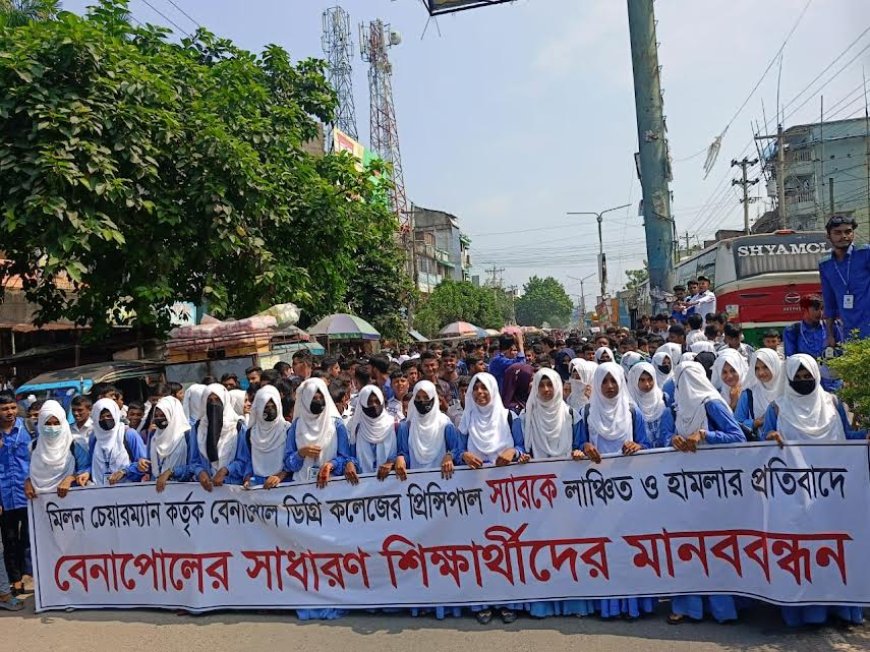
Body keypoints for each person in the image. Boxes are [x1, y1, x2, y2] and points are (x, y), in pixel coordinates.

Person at [511, 368, 594, 619]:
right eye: (541, 386)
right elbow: (518, 446)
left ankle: (574, 602)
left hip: (567, 493)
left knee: (569, 547)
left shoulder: (572, 416)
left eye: (550, 385)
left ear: (558, 386)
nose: (546, 390)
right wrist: (519, 455)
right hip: (535, 494)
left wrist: (580, 451)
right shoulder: (523, 419)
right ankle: (541, 604)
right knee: (539, 549)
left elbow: (580, 444)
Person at [668, 362, 745, 625]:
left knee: (716, 547)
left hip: (716, 486)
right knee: (687, 547)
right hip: (686, 488)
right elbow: (672, 435)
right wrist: (673, 439)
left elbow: (738, 437)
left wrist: (706, 435)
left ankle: (723, 608)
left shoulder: (713, 403)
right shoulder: (679, 408)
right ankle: (688, 606)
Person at [576, 362, 653, 619]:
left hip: (629, 493)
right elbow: (577, 446)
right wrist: (584, 447)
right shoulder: (587, 412)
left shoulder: (633, 412)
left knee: (630, 549)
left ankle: (635, 605)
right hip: (597, 493)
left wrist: (637, 446)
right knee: (604, 549)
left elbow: (649, 447)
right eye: (604, 382)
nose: (609, 387)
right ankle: (606, 606)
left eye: (613, 381)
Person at [457, 372, 525, 625]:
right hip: (475, 496)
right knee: (479, 550)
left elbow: (522, 447)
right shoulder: (466, 420)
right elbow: (457, 451)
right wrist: (463, 456)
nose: (480, 394)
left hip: (507, 496)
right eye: (476, 389)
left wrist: (512, 452)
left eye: (485, 389)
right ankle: (482, 602)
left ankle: (510, 601)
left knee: (508, 548)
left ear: (494, 390)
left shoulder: (509, 417)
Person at [762, 354, 867, 445]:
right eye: (797, 378)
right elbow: (764, 441)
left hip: (833, 466)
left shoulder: (832, 402)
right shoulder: (777, 408)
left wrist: (865, 435)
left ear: (816, 376)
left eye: (807, 376)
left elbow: (846, 435)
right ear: (789, 379)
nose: (802, 380)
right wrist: (769, 437)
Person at [283, 377, 357, 489]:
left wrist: (331, 465)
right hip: (302, 486)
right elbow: (288, 463)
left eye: (321, 397)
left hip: (332, 485)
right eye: (314, 398)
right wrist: (301, 454)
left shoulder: (336, 424)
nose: (318, 401)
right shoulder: (296, 426)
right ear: (306, 399)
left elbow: (345, 458)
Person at [819, 214, 870, 343]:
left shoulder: (865, 253)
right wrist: (830, 334)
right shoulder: (826, 264)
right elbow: (829, 301)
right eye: (837, 232)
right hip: (850, 330)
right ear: (828, 236)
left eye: (848, 232)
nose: (844, 236)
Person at [24, 400, 90, 499]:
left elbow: (86, 468)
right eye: (48, 423)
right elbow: (27, 471)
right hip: (40, 502)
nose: (52, 427)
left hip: (72, 499)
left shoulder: (74, 443)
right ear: (41, 423)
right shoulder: (33, 446)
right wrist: (28, 481)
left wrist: (70, 478)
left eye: (56, 423)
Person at [783, 295, 843, 392]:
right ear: (804, 309)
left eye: (822, 309)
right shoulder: (793, 331)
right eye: (816, 309)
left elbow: (843, 353)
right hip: (809, 383)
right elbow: (791, 361)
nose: (820, 313)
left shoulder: (832, 327)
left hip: (832, 384)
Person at [194, 384, 245, 490]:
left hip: (233, 487)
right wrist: (200, 471)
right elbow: (193, 460)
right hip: (206, 489)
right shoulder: (198, 428)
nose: (213, 404)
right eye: (209, 400)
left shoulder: (238, 426)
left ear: (225, 401)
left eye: (217, 399)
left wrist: (226, 470)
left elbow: (244, 460)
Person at [142, 396, 199, 492]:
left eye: (163, 415)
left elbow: (194, 467)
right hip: (156, 491)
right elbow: (148, 465)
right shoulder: (154, 437)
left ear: (173, 415)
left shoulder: (187, 436)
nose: (159, 418)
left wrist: (171, 472)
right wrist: (137, 465)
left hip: (182, 491)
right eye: (156, 416)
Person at [348, 386, 398, 478]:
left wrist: (392, 462)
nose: (374, 405)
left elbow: (403, 454)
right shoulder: (356, 428)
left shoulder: (395, 425)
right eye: (369, 402)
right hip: (363, 485)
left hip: (391, 483)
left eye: (377, 401)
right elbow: (351, 456)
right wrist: (350, 463)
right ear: (362, 404)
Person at [734, 349, 782, 441]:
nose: (761, 373)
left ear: (774, 365)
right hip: (759, 448)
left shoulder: (787, 391)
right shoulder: (749, 393)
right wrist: (754, 423)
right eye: (756, 368)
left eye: (765, 367)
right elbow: (736, 424)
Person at [627, 362, 675, 449]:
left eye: (650, 379)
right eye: (642, 380)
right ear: (634, 381)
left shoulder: (663, 398)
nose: (647, 384)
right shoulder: (630, 407)